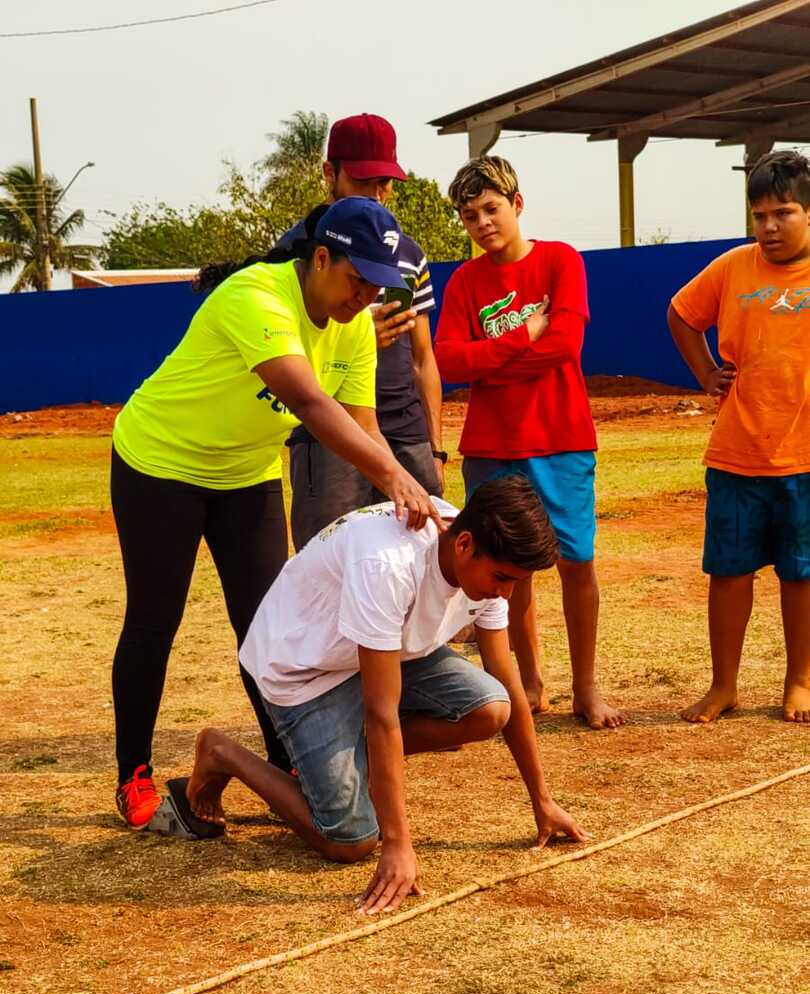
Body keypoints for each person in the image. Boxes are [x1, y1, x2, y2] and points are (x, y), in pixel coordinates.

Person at [111, 197, 440, 830]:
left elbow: (364, 424)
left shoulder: (355, 327)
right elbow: (312, 404)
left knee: (270, 625)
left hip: (246, 475)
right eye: (356, 276)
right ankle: (134, 775)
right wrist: (396, 475)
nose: (366, 292)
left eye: (377, 281)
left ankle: (286, 759)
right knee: (156, 619)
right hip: (160, 464)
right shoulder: (256, 296)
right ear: (320, 258)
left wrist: (401, 494)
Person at [170, 477, 587, 916]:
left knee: (490, 707)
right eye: (502, 578)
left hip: (392, 649)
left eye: (517, 582)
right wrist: (397, 844)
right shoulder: (388, 564)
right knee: (348, 839)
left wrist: (542, 799)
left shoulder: (488, 565)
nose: (506, 593)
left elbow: (509, 683)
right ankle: (222, 752)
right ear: (464, 544)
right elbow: (381, 712)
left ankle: (352, 762)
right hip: (306, 666)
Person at [434, 155, 624, 730]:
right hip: (491, 446)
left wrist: (489, 363)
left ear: (517, 205)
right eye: (470, 216)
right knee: (506, 570)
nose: (483, 223)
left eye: (492, 209)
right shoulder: (466, 281)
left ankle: (586, 685)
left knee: (577, 562)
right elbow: (448, 361)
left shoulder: (559, 260)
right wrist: (524, 333)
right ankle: (528, 681)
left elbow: (564, 346)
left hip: (560, 439)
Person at [668, 149, 810, 726]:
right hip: (736, 454)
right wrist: (705, 374)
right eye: (759, 215)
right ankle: (723, 685)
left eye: (784, 213)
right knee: (728, 573)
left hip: (804, 458)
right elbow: (680, 314)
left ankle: (799, 681)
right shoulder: (732, 268)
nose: (769, 227)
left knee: (802, 573)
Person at [271, 113, 446, 549]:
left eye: (386, 181)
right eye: (365, 181)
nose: (379, 194)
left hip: (404, 427)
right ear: (330, 173)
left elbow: (424, 357)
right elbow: (279, 348)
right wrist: (356, 328)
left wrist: (435, 448)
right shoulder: (296, 251)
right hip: (327, 430)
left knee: (426, 559)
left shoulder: (407, 253)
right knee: (329, 558)